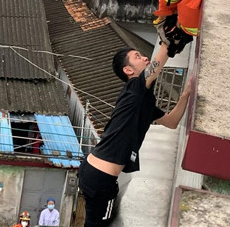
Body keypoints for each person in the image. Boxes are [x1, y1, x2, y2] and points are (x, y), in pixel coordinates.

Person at [77, 43, 192, 226]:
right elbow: (156, 65)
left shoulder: (142, 100)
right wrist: (168, 40)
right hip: (100, 176)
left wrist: (185, 95)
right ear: (128, 70)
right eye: (138, 57)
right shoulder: (134, 89)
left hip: (99, 173)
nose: (146, 58)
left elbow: (171, 122)